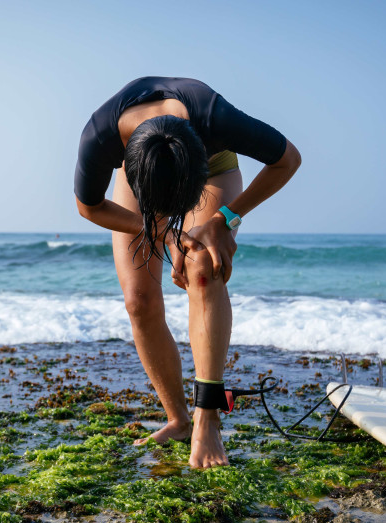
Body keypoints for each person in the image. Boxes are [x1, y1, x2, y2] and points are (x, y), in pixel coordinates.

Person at [74, 77, 300, 468]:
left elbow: (287, 159)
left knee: (202, 266)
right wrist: (161, 230)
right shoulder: (100, 135)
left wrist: (223, 219)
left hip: (210, 168)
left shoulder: (215, 118)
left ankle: (207, 419)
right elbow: (89, 207)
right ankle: (178, 419)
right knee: (139, 302)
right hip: (143, 168)